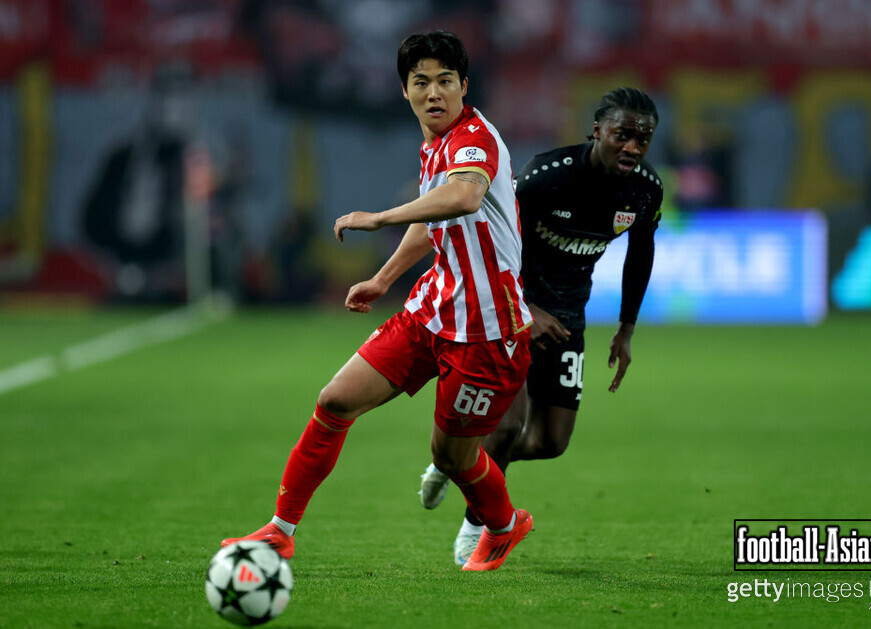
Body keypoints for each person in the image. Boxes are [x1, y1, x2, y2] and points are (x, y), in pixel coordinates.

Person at [222, 30, 534, 572]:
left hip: (488, 330)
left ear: (464, 85)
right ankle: (281, 530)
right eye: (420, 83)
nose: (433, 92)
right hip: (432, 308)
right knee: (335, 401)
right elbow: (433, 212)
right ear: (405, 92)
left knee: (452, 458)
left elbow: (463, 195)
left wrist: (379, 218)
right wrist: (383, 278)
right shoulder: (435, 143)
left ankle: (505, 526)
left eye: (444, 81)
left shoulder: (474, 138)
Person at [418, 87, 663, 565]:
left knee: (550, 442)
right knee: (507, 426)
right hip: (510, 307)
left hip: (568, 318)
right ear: (597, 132)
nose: (632, 147)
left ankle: (457, 459)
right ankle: (479, 527)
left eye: (643, 139)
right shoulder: (547, 177)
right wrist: (525, 307)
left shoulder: (645, 189)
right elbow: (490, 239)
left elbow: (642, 252)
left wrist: (626, 328)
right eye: (622, 135)